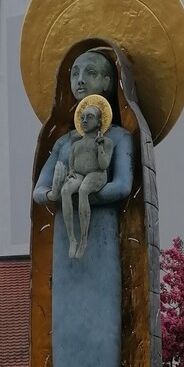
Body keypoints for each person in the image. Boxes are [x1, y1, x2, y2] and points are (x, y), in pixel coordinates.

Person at [32, 49, 135, 367]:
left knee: (100, 360)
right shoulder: (61, 143)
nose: (80, 80)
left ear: (111, 83)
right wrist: (55, 191)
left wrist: (87, 190)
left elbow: (123, 186)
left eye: (91, 72)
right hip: (66, 254)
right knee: (70, 361)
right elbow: (39, 191)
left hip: (102, 249)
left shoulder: (119, 138)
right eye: (73, 72)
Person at [46, 95, 113, 260]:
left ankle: (84, 240)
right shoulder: (76, 144)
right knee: (65, 191)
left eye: (89, 117)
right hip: (79, 174)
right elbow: (72, 162)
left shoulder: (106, 142)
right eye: (82, 117)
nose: (84, 120)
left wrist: (100, 147)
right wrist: (70, 172)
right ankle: (72, 239)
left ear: (99, 122)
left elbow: (104, 165)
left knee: (83, 191)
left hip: (96, 174)